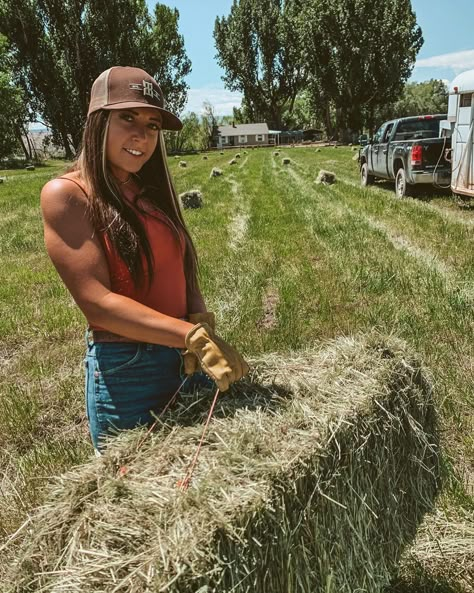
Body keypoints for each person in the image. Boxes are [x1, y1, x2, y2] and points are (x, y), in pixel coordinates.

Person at [40, 66, 249, 452]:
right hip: (128, 372)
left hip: (184, 358)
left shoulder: (148, 191)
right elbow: (98, 304)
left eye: (152, 124)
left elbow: (181, 268)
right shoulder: (67, 194)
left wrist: (201, 325)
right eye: (127, 118)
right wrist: (192, 336)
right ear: (97, 121)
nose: (142, 135)